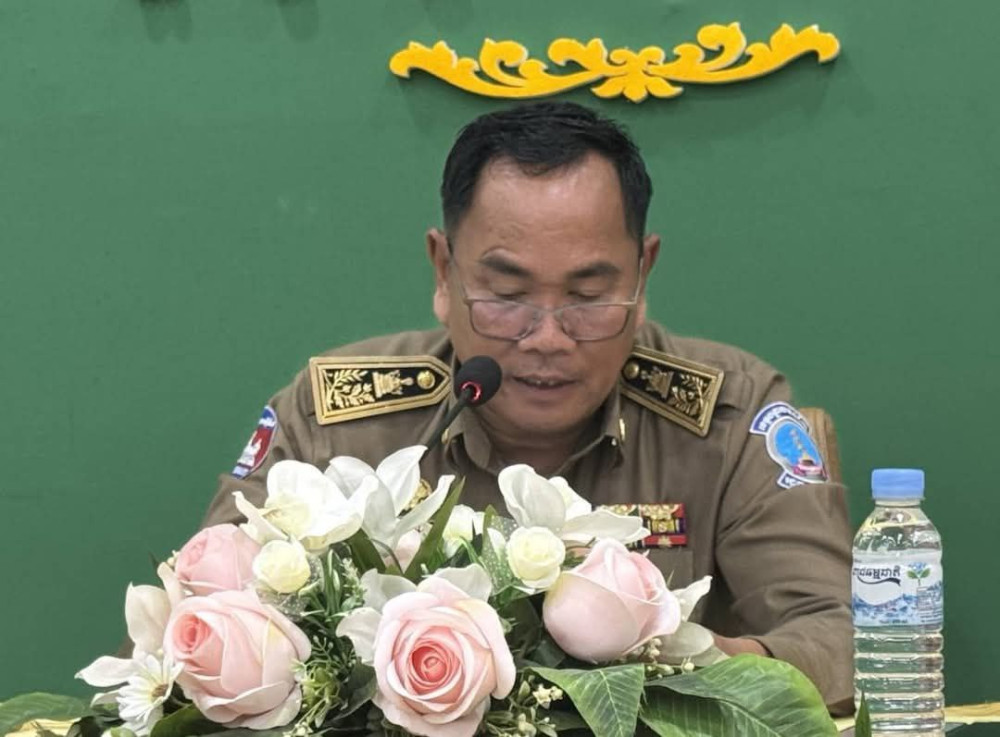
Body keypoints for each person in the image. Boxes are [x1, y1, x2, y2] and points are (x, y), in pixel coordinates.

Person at [202, 101, 853, 713]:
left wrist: (666, 667)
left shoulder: (730, 415)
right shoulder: (334, 421)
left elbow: (840, 633)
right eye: (507, 295)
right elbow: (200, 619)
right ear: (443, 271)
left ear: (642, 276)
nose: (547, 337)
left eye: (588, 296)